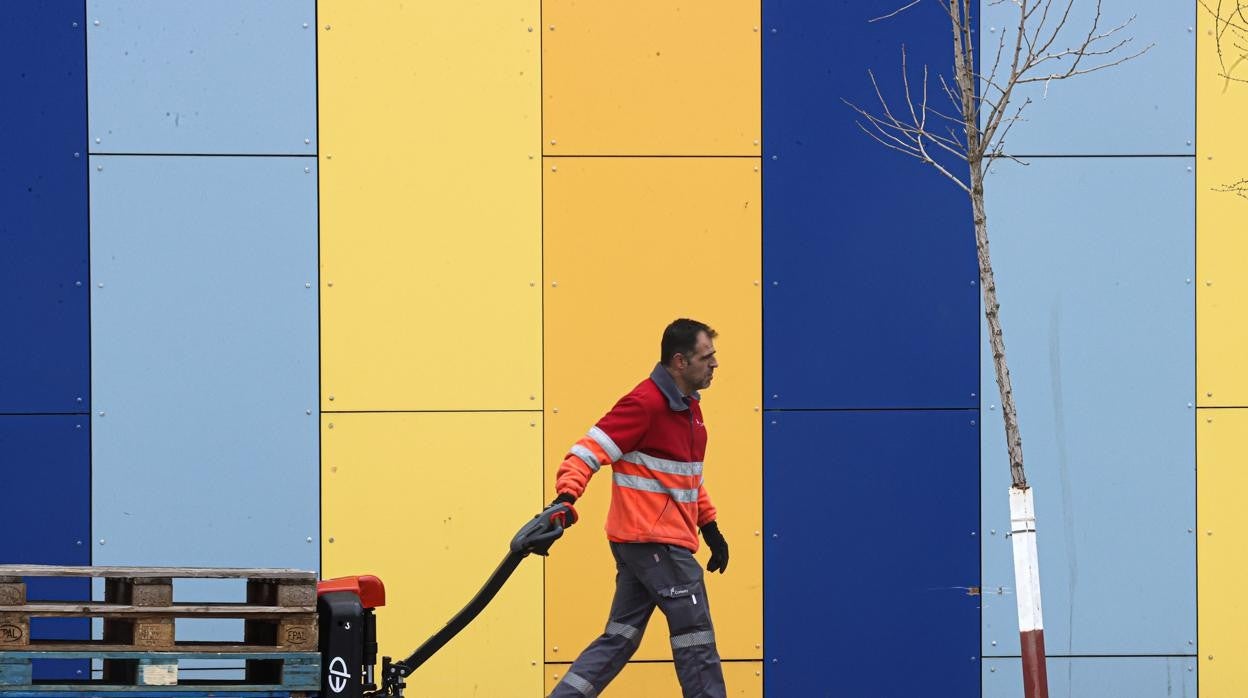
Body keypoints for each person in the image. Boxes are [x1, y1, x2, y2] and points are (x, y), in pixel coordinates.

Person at [548, 318, 730, 698]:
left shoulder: (689, 410)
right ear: (680, 362)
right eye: (706, 357)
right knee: (695, 632)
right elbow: (586, 452)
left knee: (620, 636)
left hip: (647, 543)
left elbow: (686, 478)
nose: (714, 364)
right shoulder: (645, 404)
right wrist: (566, 499)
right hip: (653, 541)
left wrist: (710, 527)